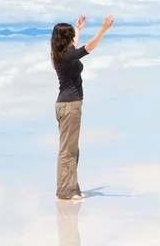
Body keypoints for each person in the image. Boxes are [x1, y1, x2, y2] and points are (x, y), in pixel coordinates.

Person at [51, 14, 114, 200]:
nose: (73, 38)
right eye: (71, 35)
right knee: (67, 151)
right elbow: (89, 48)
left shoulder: (61, 54)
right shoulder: (67, 56)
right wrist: (103, 30)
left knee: (72, 150)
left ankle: (72, 188)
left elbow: (75, 47)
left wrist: (78, 29)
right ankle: (65, 191)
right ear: (65, 39)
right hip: (70, 106)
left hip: (67, 104)